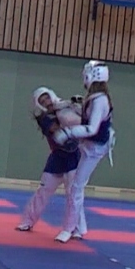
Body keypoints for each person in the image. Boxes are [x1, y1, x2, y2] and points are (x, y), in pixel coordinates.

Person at [52, 60, 115, 243]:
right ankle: (79, 228)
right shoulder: (95, 97)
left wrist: (67, 133)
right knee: (75, 186)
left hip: (94, 148)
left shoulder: (100, 100)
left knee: (76, 187)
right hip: (89, 145)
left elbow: (92, 128)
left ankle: (69, 228)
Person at [16, 87, 82, 232]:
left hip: (73, 157)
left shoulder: (66, 108)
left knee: (73, 195)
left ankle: (77, 228)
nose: (46, 102)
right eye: (42, 101)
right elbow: (57, 130)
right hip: (56, 158)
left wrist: (75, 107)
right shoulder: (44, 118)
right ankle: (28, 221)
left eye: (47, 98)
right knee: (43, 191)